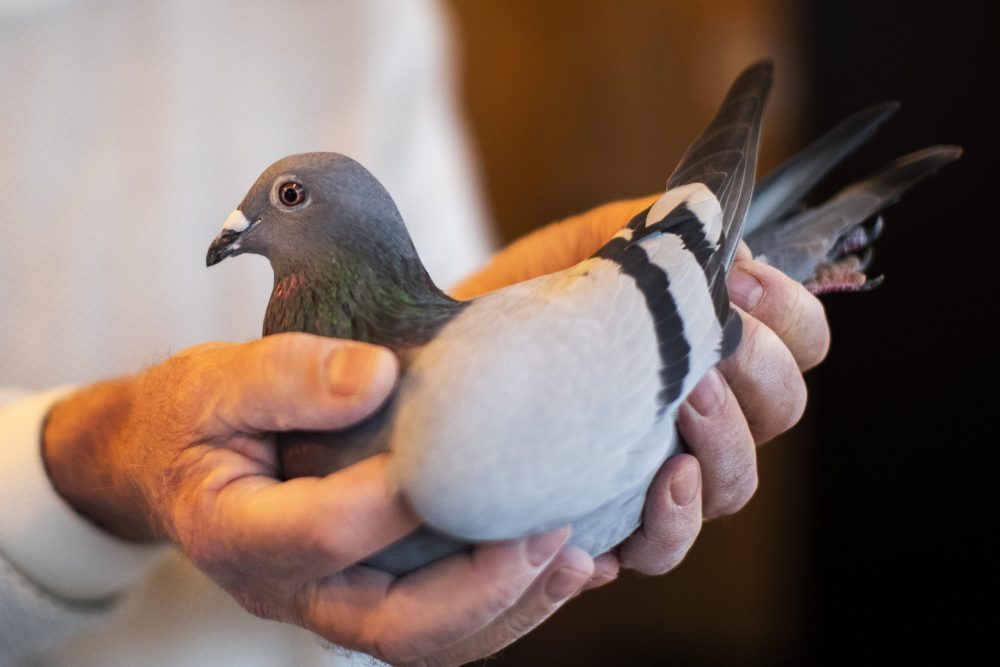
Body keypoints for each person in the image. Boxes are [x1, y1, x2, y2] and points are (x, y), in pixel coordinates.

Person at [0, 1, 828, 665]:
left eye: (283, 200)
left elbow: (471, 326)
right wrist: (95, 462)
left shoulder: (368, 16)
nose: (240, 224)